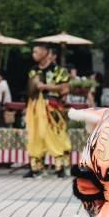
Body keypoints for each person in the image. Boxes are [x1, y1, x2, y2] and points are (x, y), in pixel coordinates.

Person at [25, 44, 71, 178]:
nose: (33, 54)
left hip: (53, 106)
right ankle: (36, 167)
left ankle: (60, 166)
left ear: (45, 52)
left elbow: (65, 88)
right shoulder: (33, 71)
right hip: (34, 105)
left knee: (55, 134)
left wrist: (45, 86)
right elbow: (30, 89)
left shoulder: (59, 71)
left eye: (36, 51)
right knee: (35, 135)